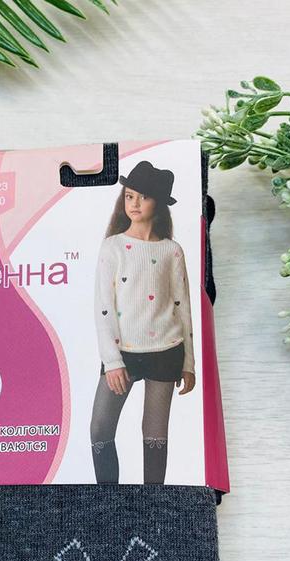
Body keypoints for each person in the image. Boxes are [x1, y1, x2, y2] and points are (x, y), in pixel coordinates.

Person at [90, 160, 196, 484]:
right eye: (129, 196)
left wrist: (188, 363)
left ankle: (153, 501)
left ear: (158, 203)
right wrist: (112, 361)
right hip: (123, 353)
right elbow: (103, 307)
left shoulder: (172, 251)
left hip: (166, 351)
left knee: (155, 436)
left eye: (143, 197)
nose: (134, 203)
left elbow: (182, 306)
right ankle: (108, 499)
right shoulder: (113, 247)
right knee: (100, 430)